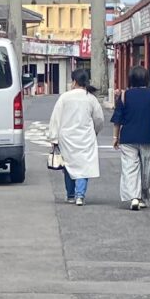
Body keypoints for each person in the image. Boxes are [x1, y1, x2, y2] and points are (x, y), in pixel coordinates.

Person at [111, 67, 150, 209]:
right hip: (149, 137)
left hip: (128, 137)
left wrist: (115, 137)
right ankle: (142, 194)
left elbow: (118, 119)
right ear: (147, 79)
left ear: (130, 79)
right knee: (146, 169)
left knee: (130, 168)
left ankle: (134, 197)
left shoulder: (124, 95)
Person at [46, 65, 102, 205]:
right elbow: (99, 119)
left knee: (69, 166)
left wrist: (53, 137)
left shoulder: (65, 97)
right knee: (83, 167)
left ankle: (70, 194)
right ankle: (80, 195)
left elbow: (55, 119)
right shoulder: (91, 99)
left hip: (67, 137)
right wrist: (94, 132)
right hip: (85, 137)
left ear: (74, 81)